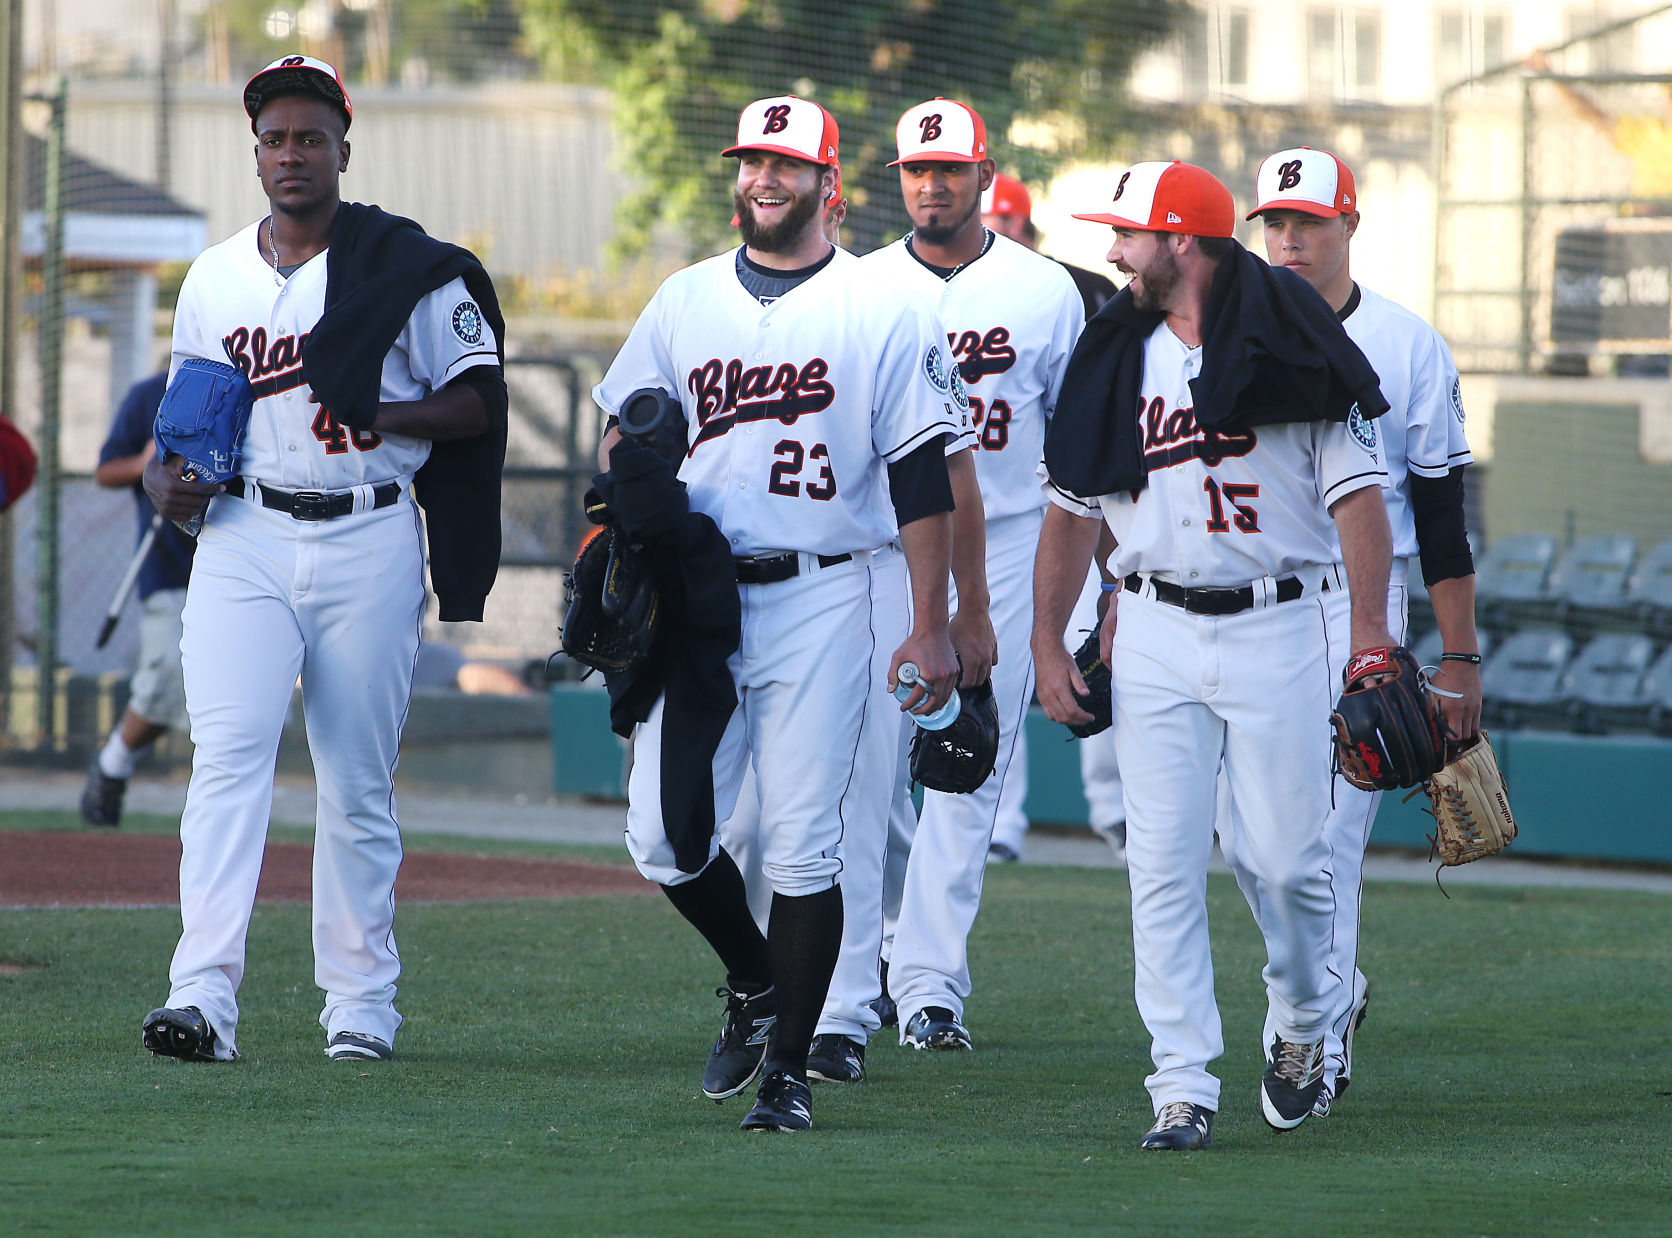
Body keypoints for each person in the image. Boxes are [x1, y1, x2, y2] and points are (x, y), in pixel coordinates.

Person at [592, 95, 964, 1132]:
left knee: (804, 846)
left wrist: (931, 623)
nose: (763, 176)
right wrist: (621, 505)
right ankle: (755, 982)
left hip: (823, 590)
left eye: (785, 163)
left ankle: (788, 1073)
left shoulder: (882, 307)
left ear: (828, 183)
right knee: (661, 839)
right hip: (698, 602)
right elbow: (626, 440)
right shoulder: (682, 298)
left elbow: (923, 478)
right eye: (751, 160)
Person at [138, 56, 507, 1065]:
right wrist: (164, 482)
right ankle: (200, 998)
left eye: (309, 136)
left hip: (370, 529)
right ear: (253, 153)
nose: (290, 153)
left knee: (354, 779)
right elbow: (190, 425)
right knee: (227, 761)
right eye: (273, 138)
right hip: (245, 536)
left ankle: (361, 1007)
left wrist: (385, 411)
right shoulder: (215, 275)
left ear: (345, 147)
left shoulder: (402, 264)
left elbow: (477, 396)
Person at [1031, 160, 1396, 1151]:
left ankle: (1306, 1016)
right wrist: (1046, 639)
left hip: (1278, 620)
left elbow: (1358, 498)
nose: (1112, 252)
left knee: (1283, 862)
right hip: (1151, 625)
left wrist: (1369, 638)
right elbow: (1068, 513)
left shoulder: (1286, 338)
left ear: (1180, 241)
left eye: (1128, 235)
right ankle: (1180, 1083)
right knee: (1159, 862)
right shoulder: (1114, 355)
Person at [1241, 146, 1480, 1117]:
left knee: (1326, 842)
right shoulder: (1221, 335)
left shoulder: (1407, 343)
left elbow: (1439, 516)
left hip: (1358, 611)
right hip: (1250, 611)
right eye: (1274, 222)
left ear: (1348, 224)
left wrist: (1457, 657)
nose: (1289, 237)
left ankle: (1308, 1040)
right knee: (1257, 849)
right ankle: (1326, 994)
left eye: (1309, 220)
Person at [861, 97, 1082, 1049]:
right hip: (881, 553)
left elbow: (1082, 452)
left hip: (1011, 549)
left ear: (984, 174)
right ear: (897, 178)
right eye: (918, 169)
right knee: (863, 773)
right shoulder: (859, 284)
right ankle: (867, 949)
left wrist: (1092, 589)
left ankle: (927, 988)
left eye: (950, 168)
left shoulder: (1046, 291)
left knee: (964, 776)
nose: (933, 183)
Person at [79, 374, 194, 827]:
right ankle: (113, 763)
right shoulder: (148, 394)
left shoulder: (258, 385)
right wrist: (145, 461)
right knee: (167, 670)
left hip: (240, 559)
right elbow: (106, 470)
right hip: (168, 563)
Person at [983, 172, 1118, 317]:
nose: (973, 227)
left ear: (1015, 223)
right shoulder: (972, 284)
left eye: (981, 217)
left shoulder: (1091, 288)